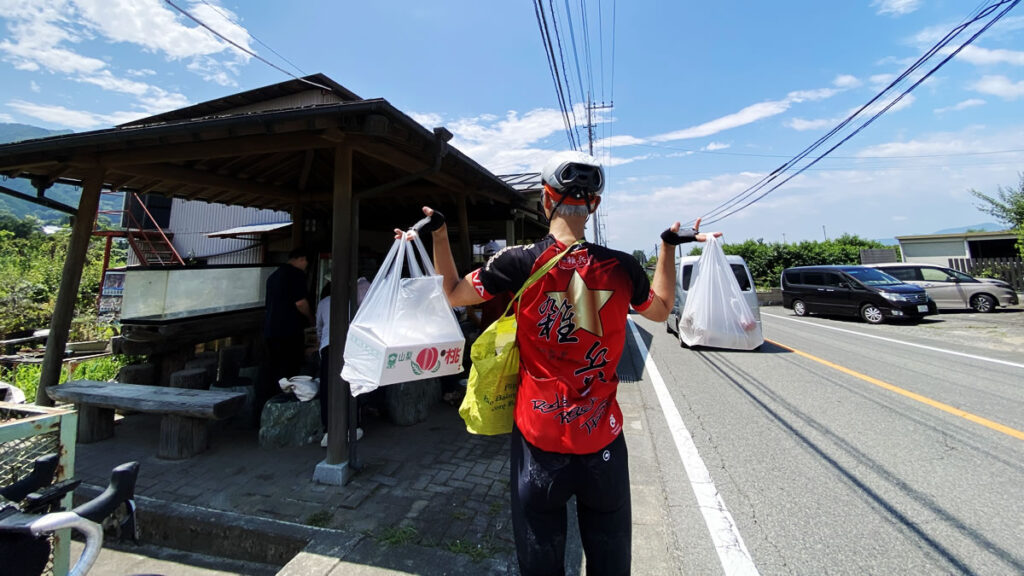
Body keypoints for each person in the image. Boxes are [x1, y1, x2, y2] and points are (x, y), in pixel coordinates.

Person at [397, 150, 719, 575]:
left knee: (540, 562)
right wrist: (665, 247)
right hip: (602, 442)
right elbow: (660, 309)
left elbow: (453, 293)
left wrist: (440, 234)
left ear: (545, 200)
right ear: (594, 205)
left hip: (539, 444)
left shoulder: (516, 262)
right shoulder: (621, 268)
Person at [261, 247, 314, 409]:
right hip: (289, 330)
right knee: (290, 369)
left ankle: (268, 404)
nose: (306, 266)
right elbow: (300, 303)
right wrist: (312, 319)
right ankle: (288, 404)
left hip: (271, 329)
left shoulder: (273, 276)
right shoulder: (296, 274)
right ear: (302, 259)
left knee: (274, 369)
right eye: (306, 262)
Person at [317, 279, 367, 447]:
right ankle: (354, 427)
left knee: (327, 389)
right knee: (352, 385)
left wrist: (320, 342)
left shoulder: (323, 303)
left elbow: (319, 327)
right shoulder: (352, 303)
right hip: (351, 346)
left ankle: (328, 431)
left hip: (328, 347)